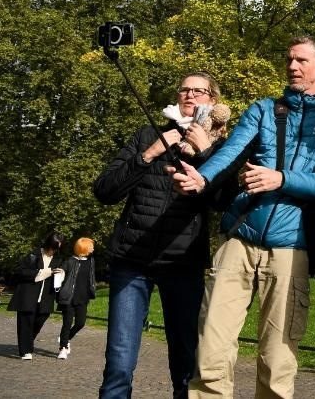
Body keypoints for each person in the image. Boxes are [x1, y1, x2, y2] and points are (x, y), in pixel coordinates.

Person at [174, 36, 315, 399]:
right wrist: (203, 177)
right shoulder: (265, 109)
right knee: (211, 349)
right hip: (240, 234)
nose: (292, 66)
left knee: (277, 358)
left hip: (291, 246)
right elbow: (232, 152)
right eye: (289, 60)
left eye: (301, 60)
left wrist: (282, 179)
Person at [93, 72, 228, 398]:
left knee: (185, 361)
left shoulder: (221, 146)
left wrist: (206, 152)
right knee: (119, 362)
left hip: (183, 263)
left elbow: (227, 202)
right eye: (184, 89)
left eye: (199, 91)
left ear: (213, 100)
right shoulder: (147, 135)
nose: (190, 95)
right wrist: (150, 153)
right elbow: (104, 190)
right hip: (131, 261)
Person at [7, 231, 64, 360]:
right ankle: (25, 351)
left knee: (41, 318)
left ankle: (26, 341)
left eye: (57, 248)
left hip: (46, 297)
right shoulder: (33, 255)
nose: (53, 251)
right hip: (28, 295)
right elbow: (20, 271)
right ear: (48, 244)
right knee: (26, 322)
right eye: (53, 248)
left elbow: (57, 277)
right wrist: (42, 272)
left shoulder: (58, 259)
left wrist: (60, 273)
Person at [56, 236, 98, 359]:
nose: (93, 248)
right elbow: (62, 272)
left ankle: (66, 338)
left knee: (80, 323)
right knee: (67, 323)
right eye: (91, 246)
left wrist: (92, 289)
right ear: (84, 248)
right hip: (69, 297)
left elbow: (91, 277)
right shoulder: (70, 261)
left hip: (83, 298)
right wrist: (60, 272)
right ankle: (63, 348)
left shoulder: (91, 261)